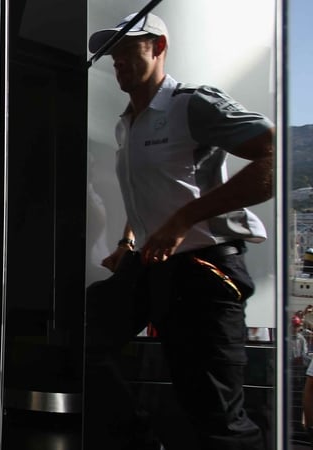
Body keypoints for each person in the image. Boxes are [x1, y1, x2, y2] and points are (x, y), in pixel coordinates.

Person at [85, 12, 274, 450]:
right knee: (84, 340)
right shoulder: (128, 121)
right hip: (151, 267)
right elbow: (151, 189)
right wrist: (128, 241)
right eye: (113, 57)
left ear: (158, 47)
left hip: (204, 271)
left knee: (213, 416)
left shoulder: (192, 104)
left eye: (128, 51)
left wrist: (182, 220)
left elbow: (273, 156)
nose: (118, 63)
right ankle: (138, 440)